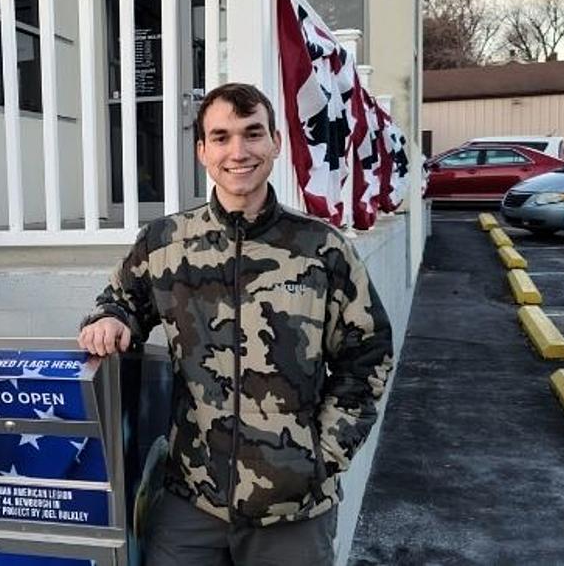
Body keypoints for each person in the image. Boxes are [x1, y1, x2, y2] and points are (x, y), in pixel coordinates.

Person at [78, 82, 393, 565]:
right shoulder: (164, 243)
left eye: (253, 134)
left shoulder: (321, 249)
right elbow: (121, 300)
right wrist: (109, 320)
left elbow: (367, 356)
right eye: (221, 137)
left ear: (275, 144)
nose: (238, 151)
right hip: (192, 503)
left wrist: (320, 456)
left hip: (293, 511)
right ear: (203, 150)